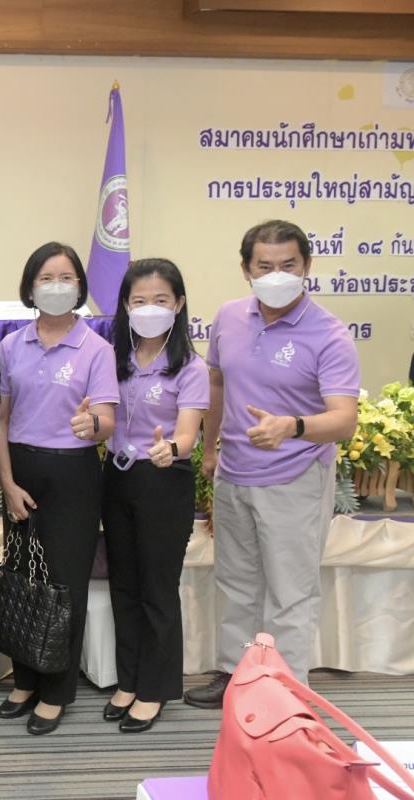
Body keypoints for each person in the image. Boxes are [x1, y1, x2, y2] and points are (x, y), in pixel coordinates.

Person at [184, 220, 359, 709]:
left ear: (307, 267)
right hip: (234, 474)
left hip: (295, 476)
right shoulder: (229, 316)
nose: (277, 275)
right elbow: (217, 383)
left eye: (288, 265)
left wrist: (293, 426)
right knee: (236, 583)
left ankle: (284, 690)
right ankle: (235, 674)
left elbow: (345, 419)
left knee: (290, 592)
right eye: (265, 266)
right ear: (246, 269)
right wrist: (211, 449)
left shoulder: (329, 334)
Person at [0, 242, 118, 735]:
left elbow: (106, 419)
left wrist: (93, 425)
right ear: (30, 287)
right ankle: (25, 679)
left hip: (73, 474)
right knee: (24, 576)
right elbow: (0, 419)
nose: (56, 286)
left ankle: (57, 690)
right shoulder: (10, 346)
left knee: (64, 584)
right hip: (21, 468)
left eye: (66, 278)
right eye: (46, 278)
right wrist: (6, 481)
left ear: (80, 286)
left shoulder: (96, 349)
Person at [101, 259, 208, 733]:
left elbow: (187, 433)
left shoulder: (190, 367)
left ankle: (156, 688)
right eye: (139, 300)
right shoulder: (112, 359)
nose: (149, 309)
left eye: (160, 300)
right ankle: (129, 680)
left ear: (178, 304)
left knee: (157, 588)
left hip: (163, 479)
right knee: (124, 586)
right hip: (116, 477)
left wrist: (173, 449)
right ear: (126, 306)